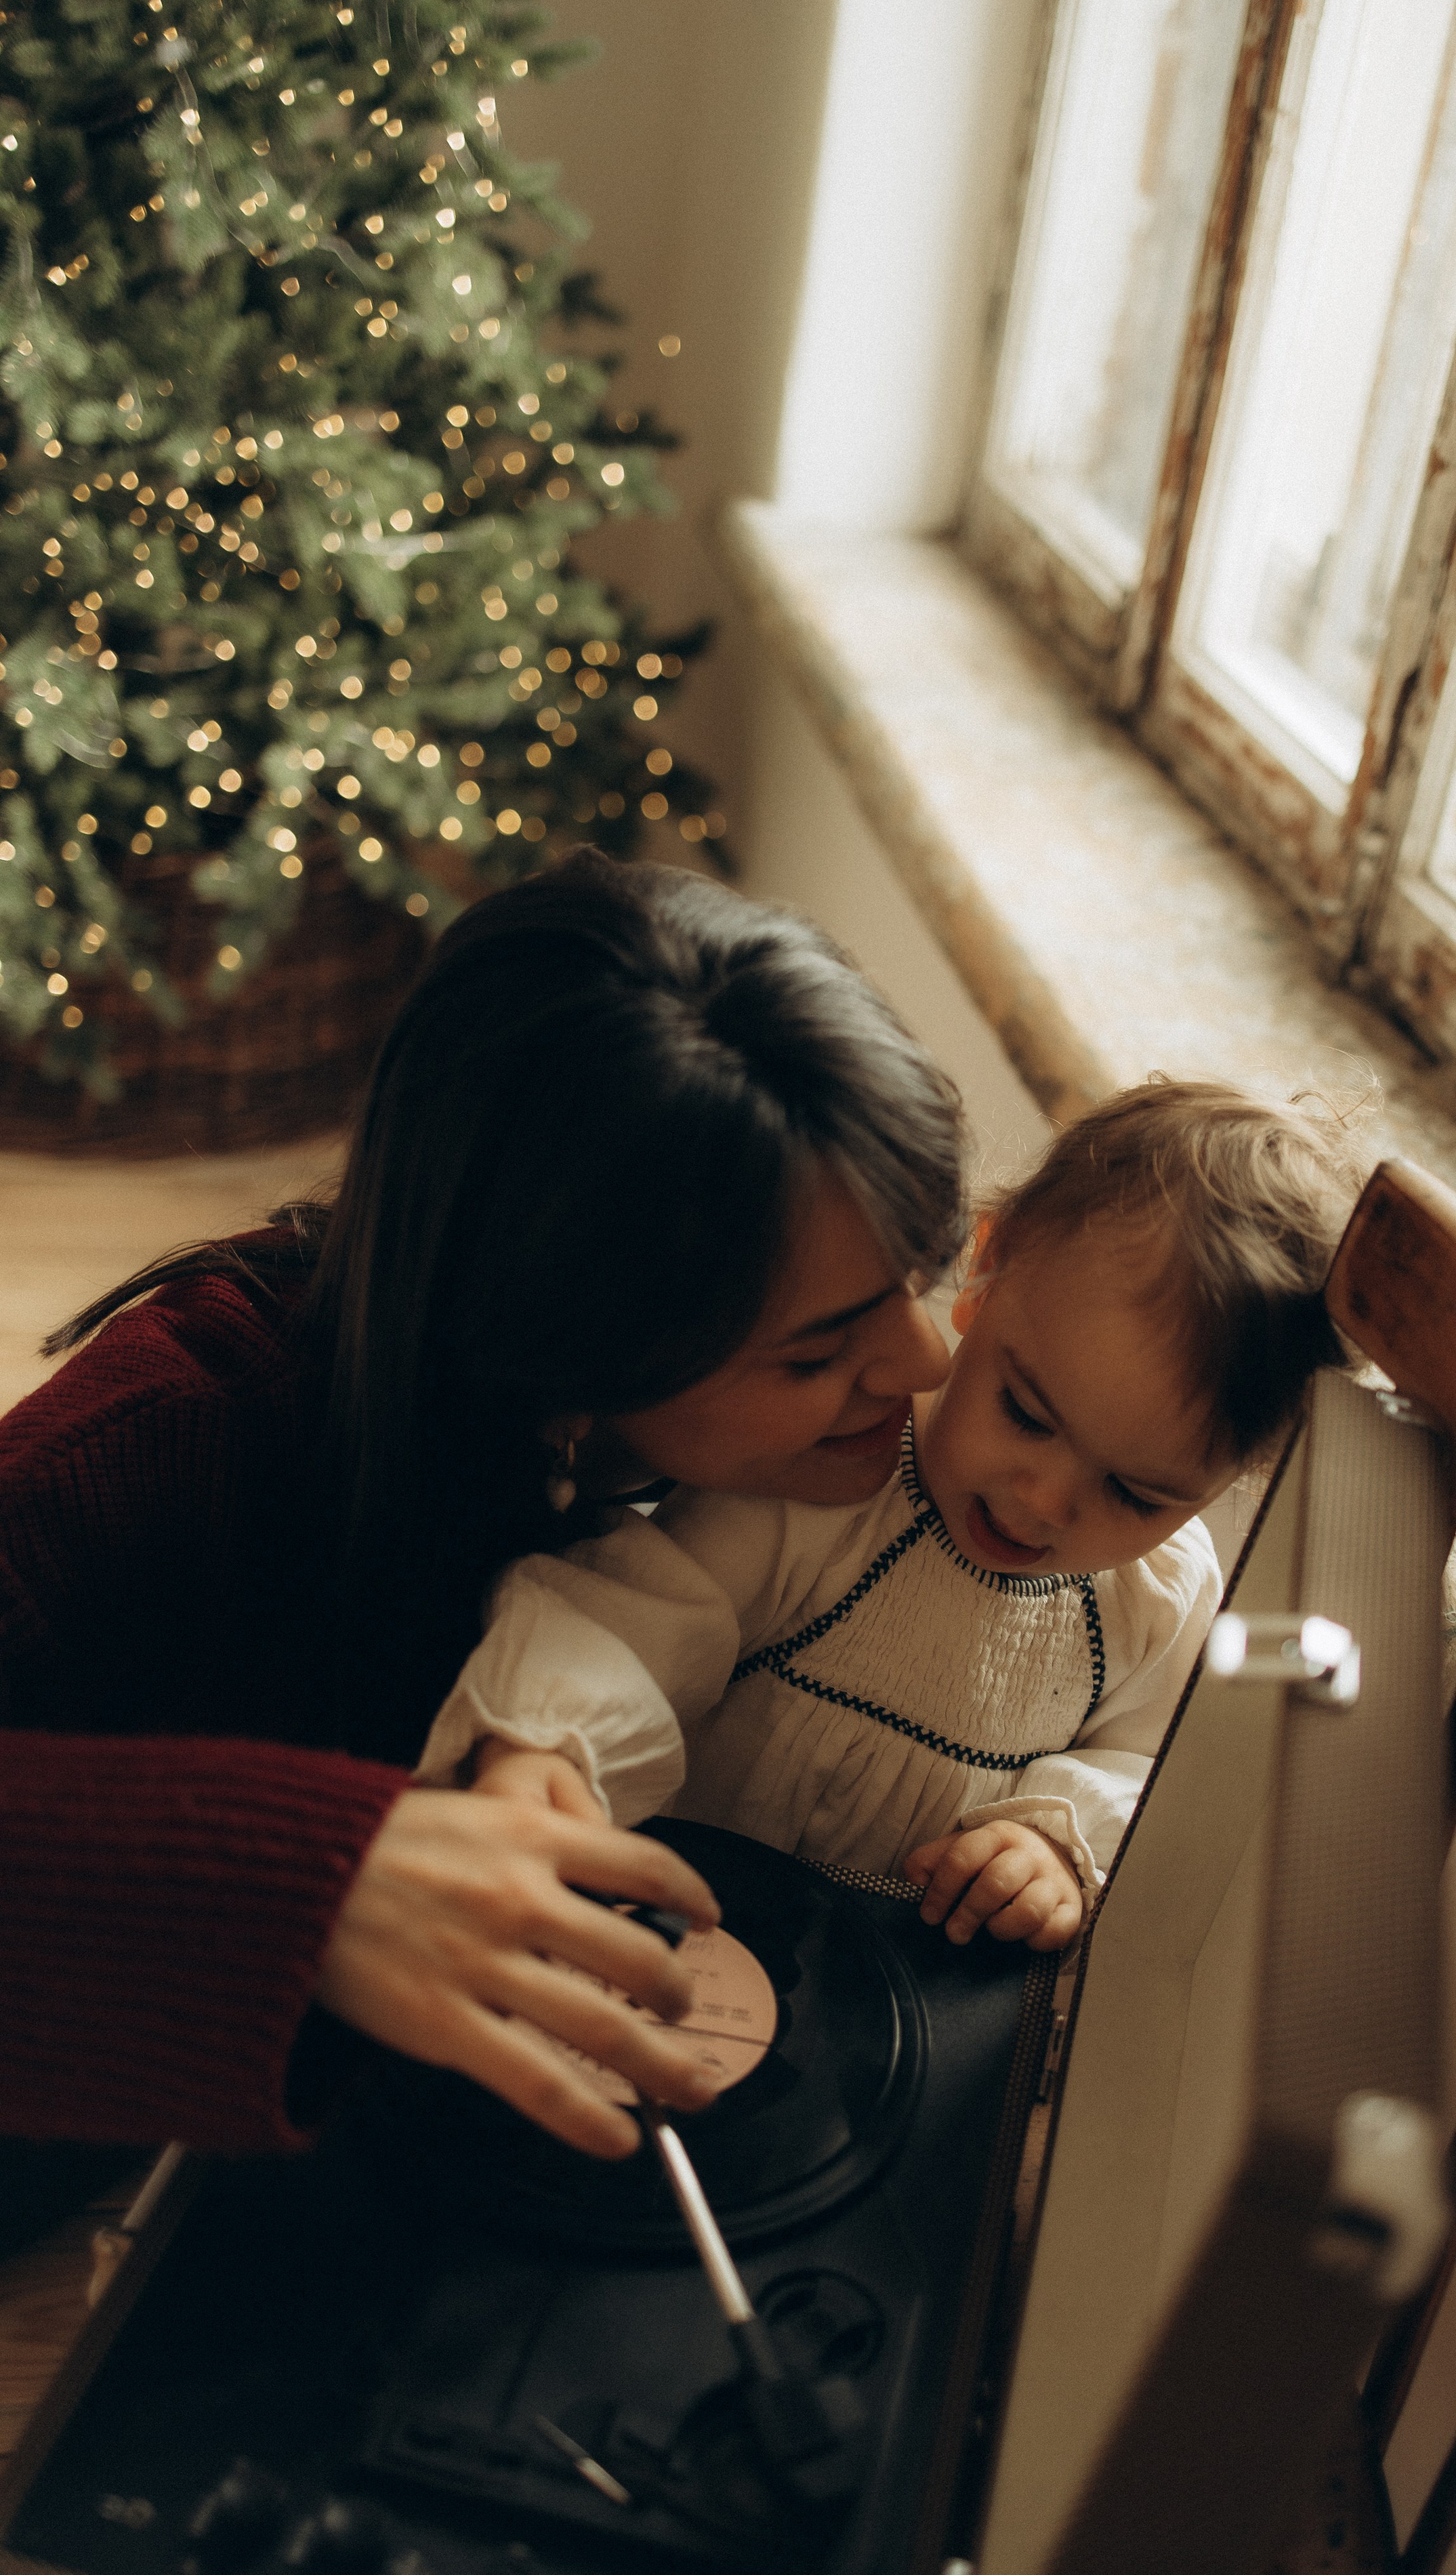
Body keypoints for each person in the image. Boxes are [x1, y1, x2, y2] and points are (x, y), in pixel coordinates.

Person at [0, 849, 970, 2189]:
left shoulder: (679, 1451)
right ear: (565, 1340)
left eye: (926, 1270)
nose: (924, 1365)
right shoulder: (163, 1438)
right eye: (816, 1354)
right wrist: (306, 1892)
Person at [422, 1081, 1367, 1956]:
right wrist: (551, 1747)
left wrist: (1053, 1840)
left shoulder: (1157, 1598)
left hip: (885, 1983)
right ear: (989, 1267)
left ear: (1241, 1474)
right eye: (1026, 1414)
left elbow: (1140, 1758)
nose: (1042, 1501)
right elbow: (637, 1620)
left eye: (1137, 1494)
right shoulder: (832, 1483)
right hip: (672, 1903)